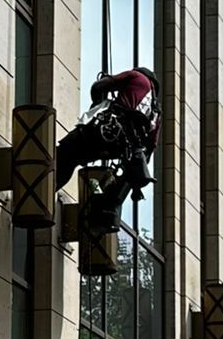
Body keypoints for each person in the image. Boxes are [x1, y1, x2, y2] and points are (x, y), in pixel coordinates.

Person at [54, 68, 161, 233]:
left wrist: (97, 105)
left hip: (103, 132)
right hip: (116, 149)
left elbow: (98, 87)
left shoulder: (136, 77)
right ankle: (102, 213)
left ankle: (43, 189)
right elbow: (150, 149)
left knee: (65, 153)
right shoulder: (156, 113)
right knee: (74, 160)